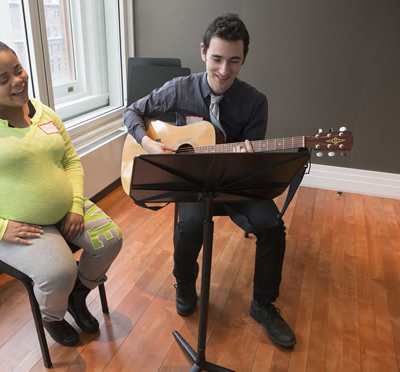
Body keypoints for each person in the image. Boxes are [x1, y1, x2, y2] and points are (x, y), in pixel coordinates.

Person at [0, 32, 122, 347]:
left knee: (110, 240)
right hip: (9, 223)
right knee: (59, 271)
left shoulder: (43, 113)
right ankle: (52, 315)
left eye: (18, 69)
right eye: (3, 78)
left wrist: (75, 205)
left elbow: (71, 163)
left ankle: (78, 296)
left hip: (66, 211)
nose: (18, 80)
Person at [123, 14, 296, 348]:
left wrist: (249, 157)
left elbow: (253, 164)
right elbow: (131, 112)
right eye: (217, 59)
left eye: (234, 61)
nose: (223, 70)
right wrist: (149, 143)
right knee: (188, 226)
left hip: (235, 181)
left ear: (244, 59)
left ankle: (263, 304)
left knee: (272, 225)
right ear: (203, 52)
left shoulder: (255, 102)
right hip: (191, 180)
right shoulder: (179, 88)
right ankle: (185, 284)